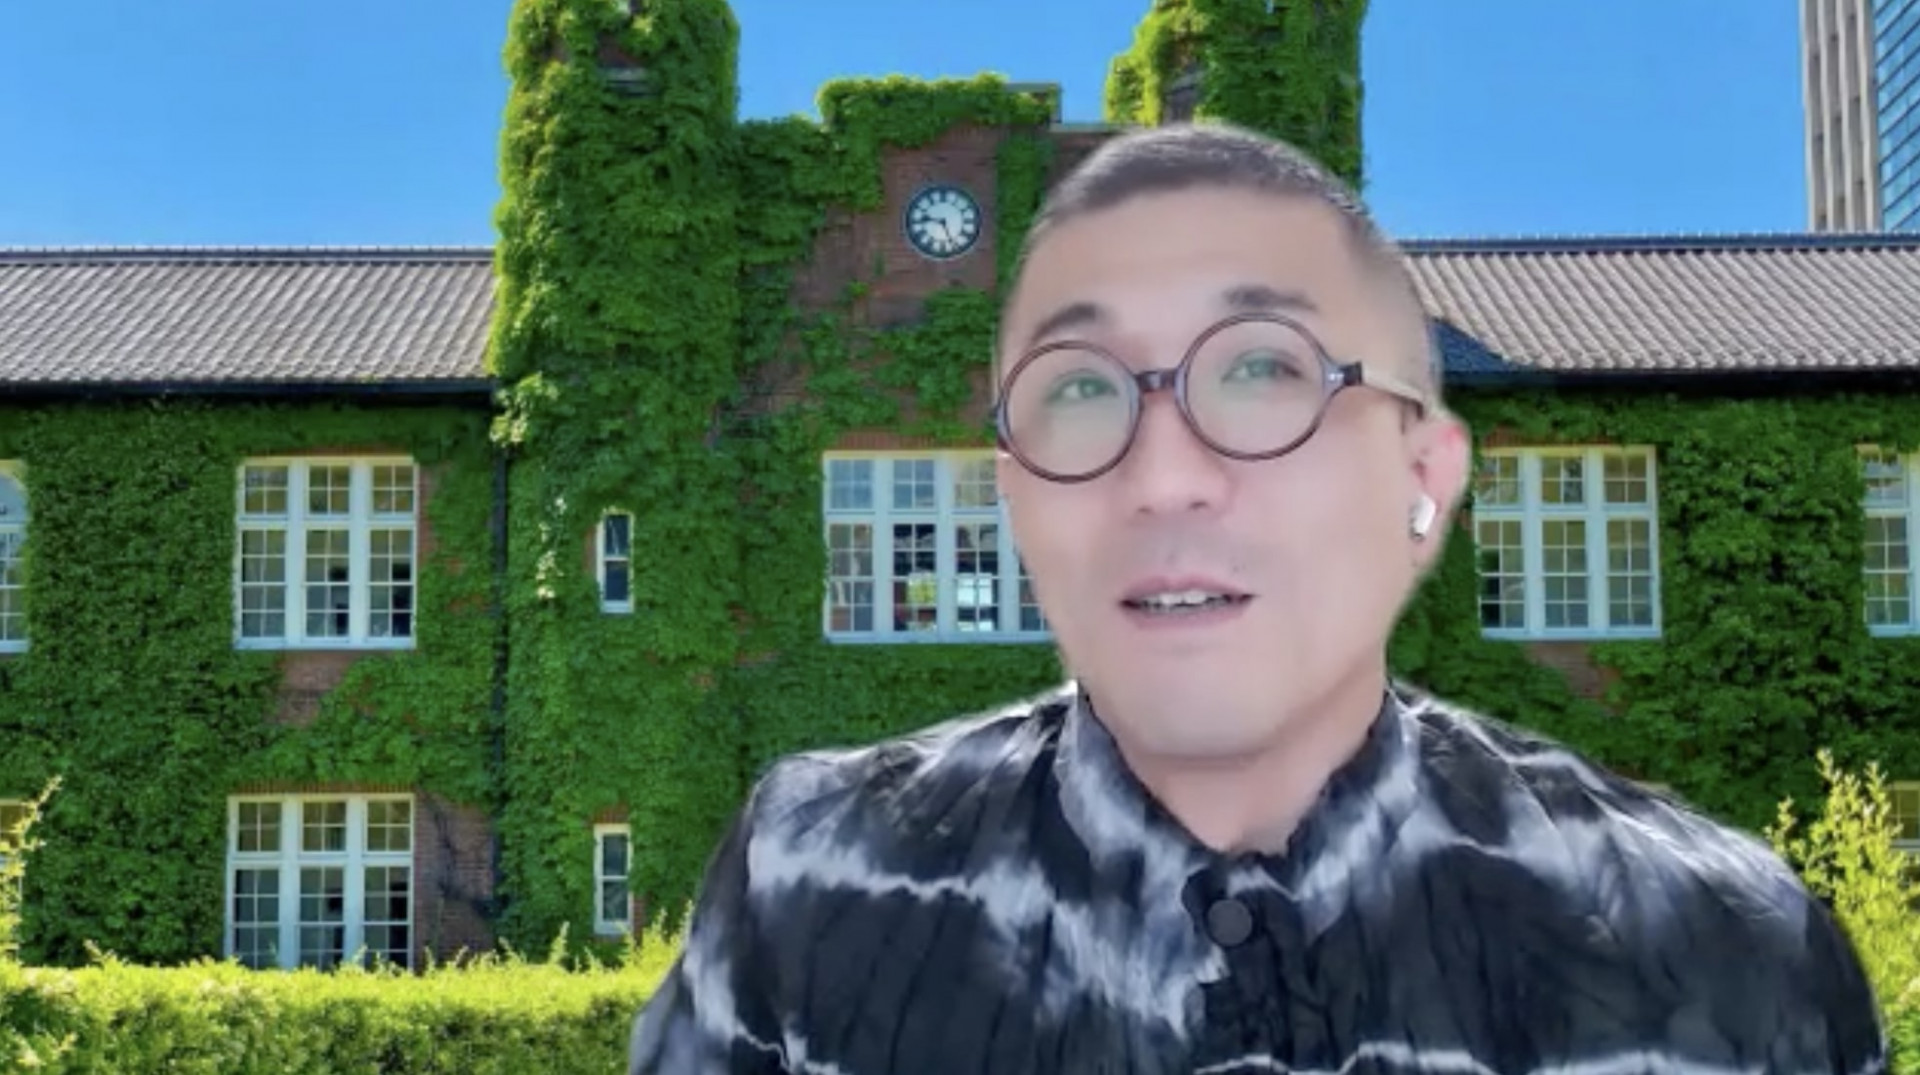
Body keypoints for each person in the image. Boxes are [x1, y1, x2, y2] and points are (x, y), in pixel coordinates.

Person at [628, 121, 1888, 1074]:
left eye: (1265, 374)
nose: (1163, 476)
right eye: (1079, 391)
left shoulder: (1728, 943)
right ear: (1017, 502)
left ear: (1423, 478)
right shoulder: (812, 883)